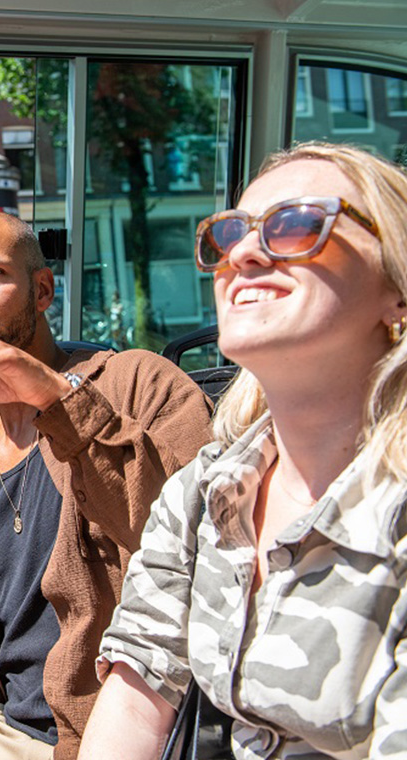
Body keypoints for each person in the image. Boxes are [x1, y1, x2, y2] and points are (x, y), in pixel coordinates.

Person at [82, 143, 407, 759]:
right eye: (231, 234)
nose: (244, 254)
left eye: (300, 225)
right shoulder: (205, 491)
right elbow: (135, 694)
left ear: (397, 288)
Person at [0, 211, 213, 760]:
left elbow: (201, 546)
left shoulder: (137, 381)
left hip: (106, 736)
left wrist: (56, 398)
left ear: (42, 290)